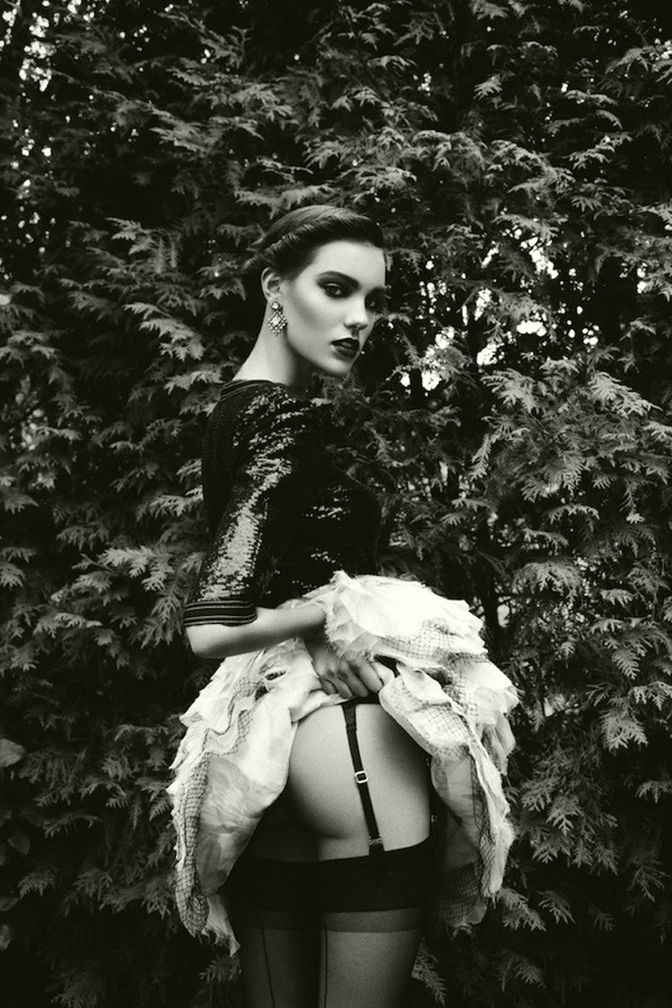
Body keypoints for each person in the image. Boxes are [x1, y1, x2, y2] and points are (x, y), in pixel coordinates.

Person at [167, 205, 518, 1008]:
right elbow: (213, 625)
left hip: (266, 741)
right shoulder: (282, 418)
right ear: (275, 288)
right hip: (347, 751)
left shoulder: (236, 407)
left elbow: (262, 586)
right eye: (336, 288)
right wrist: (334, 612)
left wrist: (320, 611)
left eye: (372, 299)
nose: (360, 318)